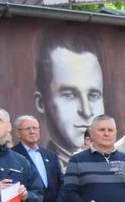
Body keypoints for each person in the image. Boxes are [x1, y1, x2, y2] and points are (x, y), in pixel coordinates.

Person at [33, 30, 105, 163]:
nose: (86, 111)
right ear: (42, 103)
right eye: (69, 95)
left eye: (93, 95)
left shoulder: (113, 160)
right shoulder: (38, 163)